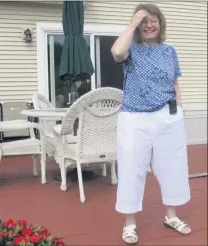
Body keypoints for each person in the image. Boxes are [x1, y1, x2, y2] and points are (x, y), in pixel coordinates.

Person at [111, 3, 191, 245]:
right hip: (135, 118)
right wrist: (132, 23)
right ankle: (130, 223)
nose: (149, 25)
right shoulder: (131, 50)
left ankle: (171, 216)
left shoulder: (170, 52)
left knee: (172, 166)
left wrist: (179, 110)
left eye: (153, 20)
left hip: (168, 115)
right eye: (144, 21)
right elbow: (116, 52)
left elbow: (175, 83)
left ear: (160, 23)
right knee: (131, 169)